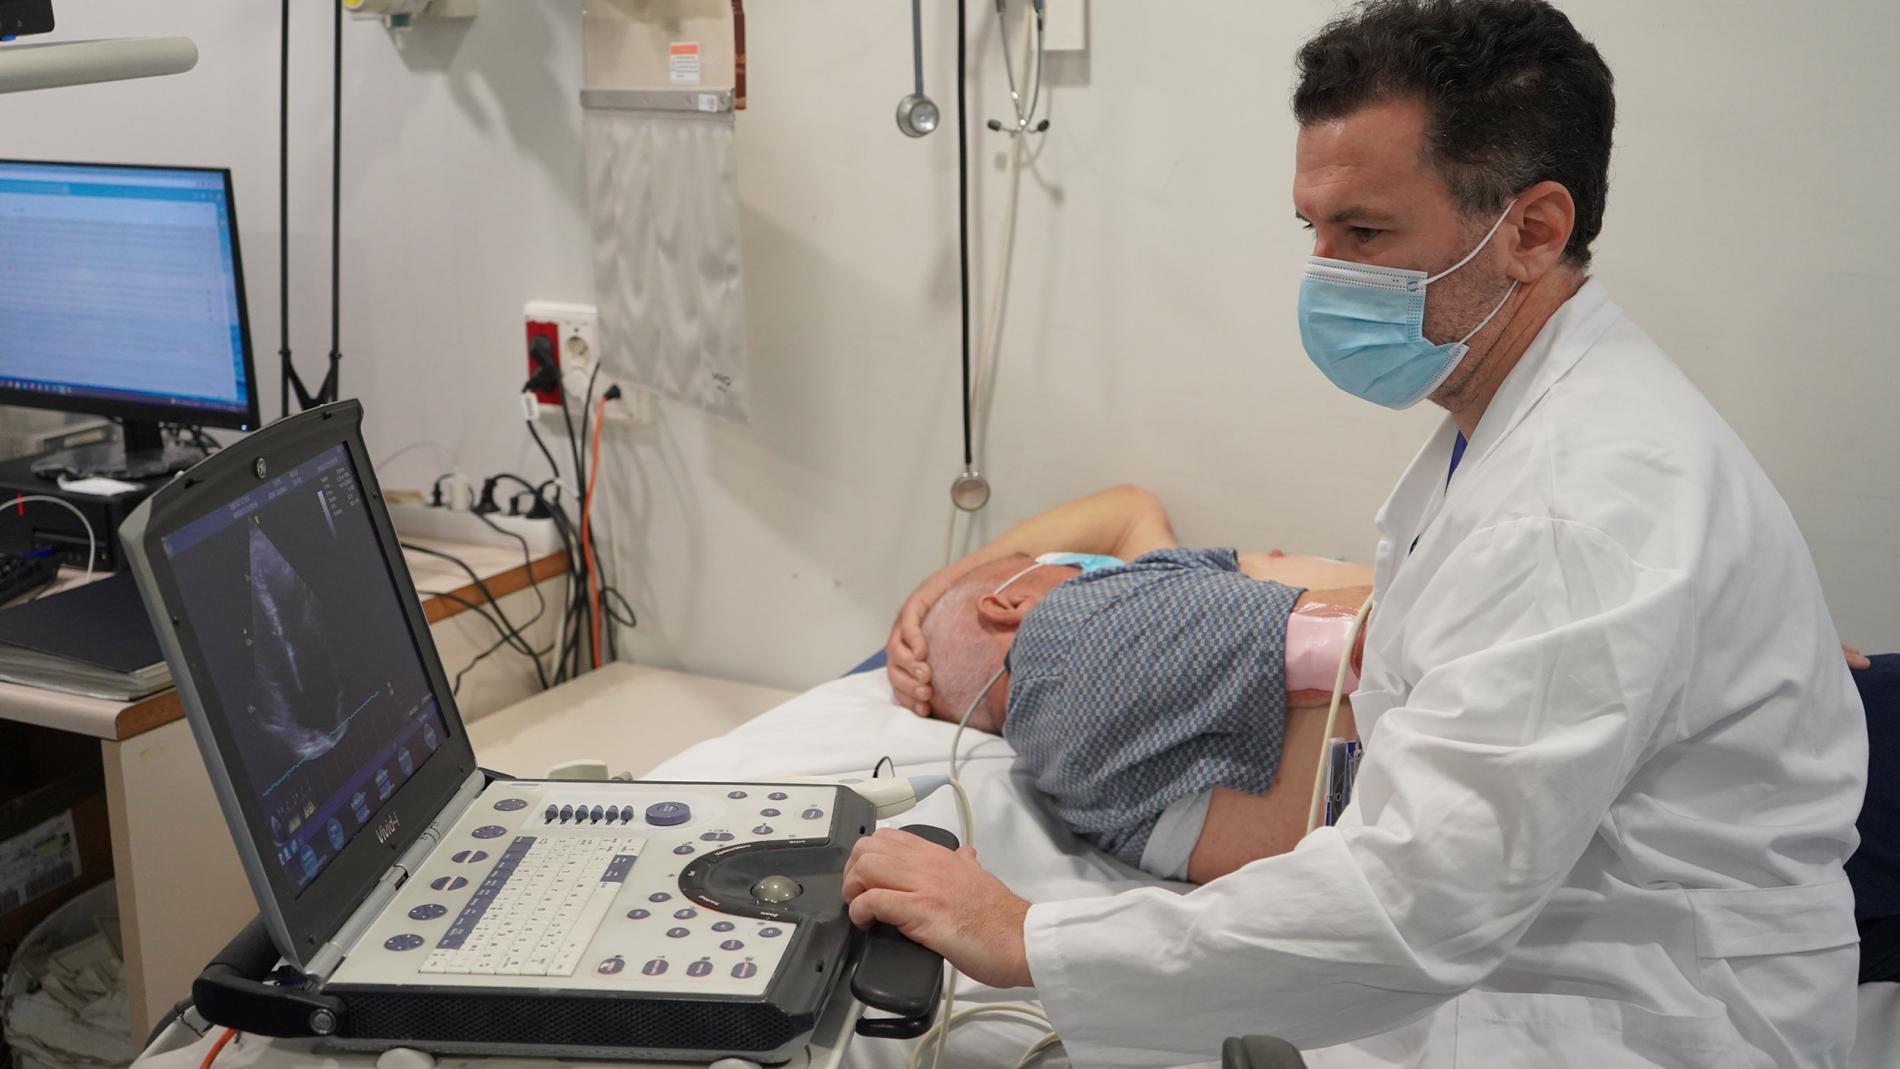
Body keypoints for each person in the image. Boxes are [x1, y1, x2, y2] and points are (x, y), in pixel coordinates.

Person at [842, 3, 1868, 1066]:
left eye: (1366, 234)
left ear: (1532, 230)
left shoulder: (1584, 500)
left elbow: (1414, 905)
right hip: (1518, 956)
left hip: (1635, 1017)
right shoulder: (1516, 427)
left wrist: (1028, 937)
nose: (1327, 271)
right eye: (1313, 230)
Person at [887, 484, 1373, 883]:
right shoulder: (1070, 630)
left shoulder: (1080, 739)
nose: (1102, 567)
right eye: (1071, 564)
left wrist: (932, 586)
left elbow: (1129, 511)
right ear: (1005, 604)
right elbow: (1362, 637)